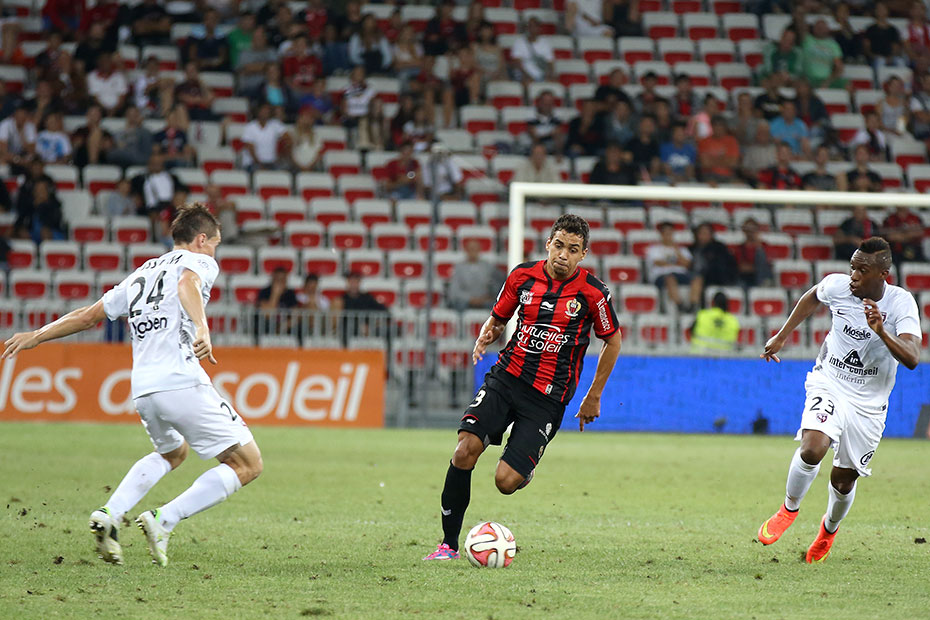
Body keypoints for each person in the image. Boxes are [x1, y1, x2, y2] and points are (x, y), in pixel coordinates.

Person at [2, 204, 262, 567]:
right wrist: (203, 328)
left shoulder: (143, 272)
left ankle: (110, 513)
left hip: (143, 388)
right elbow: (187, 284)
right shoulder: (199, 261)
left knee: (173, 453)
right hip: (180, 380)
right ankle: (164, 519)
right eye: (215, 244)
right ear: (202, 239)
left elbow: (89, 316)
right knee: (248, 464)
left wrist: (38, 334)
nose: (214, 252)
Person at [423, 214, 622, 561]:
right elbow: (499, 317)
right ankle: (448, 545)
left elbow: (613, 341)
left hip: (547, 397)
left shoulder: (594, 293)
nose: (563, 255)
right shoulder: (522, 276)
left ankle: (522, 470)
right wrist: (489, 332)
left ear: (583, 254)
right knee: (465, 450)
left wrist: (594, 396)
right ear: (548, 244)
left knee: (505, 482)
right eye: (558, 245)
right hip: (507, 377)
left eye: (572, 249)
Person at [757, 237, 920, 563]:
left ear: (883, 274)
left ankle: (828, 529)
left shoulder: (901, 303)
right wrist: (782, 335)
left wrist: (881, 331)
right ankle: (788, 509)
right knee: (812, 447)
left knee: (843, 480)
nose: (853, 276)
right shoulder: (837, 286)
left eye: (862, 270)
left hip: (869, 403)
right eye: (852, 268)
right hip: (830, 381)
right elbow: (812, 296)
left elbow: (913, 357)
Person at [646, 221, 692, 312]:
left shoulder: (682, 249)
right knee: (670, 278)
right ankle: (680, 305)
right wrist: (678, 263)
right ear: (661, 234)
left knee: (698, 278)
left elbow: (687, 264)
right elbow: (658, 262)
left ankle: (693, 306)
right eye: (666, 233)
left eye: (670, 233)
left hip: (681, 274)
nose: (668, 236)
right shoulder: (654, 249)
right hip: (662, 275)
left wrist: (677, 250)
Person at [447, 239, 504, 312]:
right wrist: (470, 299)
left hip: (484, 300)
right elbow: (455, 290)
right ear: (466, 251)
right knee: (458, 304)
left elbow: (497, 285)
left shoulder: (488, 267)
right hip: (465, 301)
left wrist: (487, 297)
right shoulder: (459, 267)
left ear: (479, 250)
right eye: (471, 249)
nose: (473, 252)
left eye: (475, 249)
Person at [509, 17, 553, 85]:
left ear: (539, 28)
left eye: (535, 26)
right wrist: (528, 76)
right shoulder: (519, 42)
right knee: (527, 83)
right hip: (524, 75)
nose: (532, 29)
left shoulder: (545, 43)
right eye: (530, 26)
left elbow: (550, 63)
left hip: (542, 75)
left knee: (552, 84)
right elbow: (517, 63)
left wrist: (549, 75)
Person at [698, 116, 740, 185]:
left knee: (739, 185)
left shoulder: (732, 141)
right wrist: (725, 159)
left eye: (720, 125)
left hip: (728, 176)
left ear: (725, 127)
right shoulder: (704, 141)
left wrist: (712, 160)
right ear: (712, 126)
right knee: (711, 185)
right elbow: (705, 163)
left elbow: (733, 164)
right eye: (716, 125)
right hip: (708, 176)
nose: (718, 128)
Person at [735, 218, 772, 288]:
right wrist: (755, 267)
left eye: (753, 229)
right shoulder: (739, 248)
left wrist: (758, 244)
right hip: (744, 278)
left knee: (760, 253)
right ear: (744, 231)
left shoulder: (764, 246)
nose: (750, 232)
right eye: (748, 229)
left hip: (761, 277)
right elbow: (741, 267)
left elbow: (767, 264)